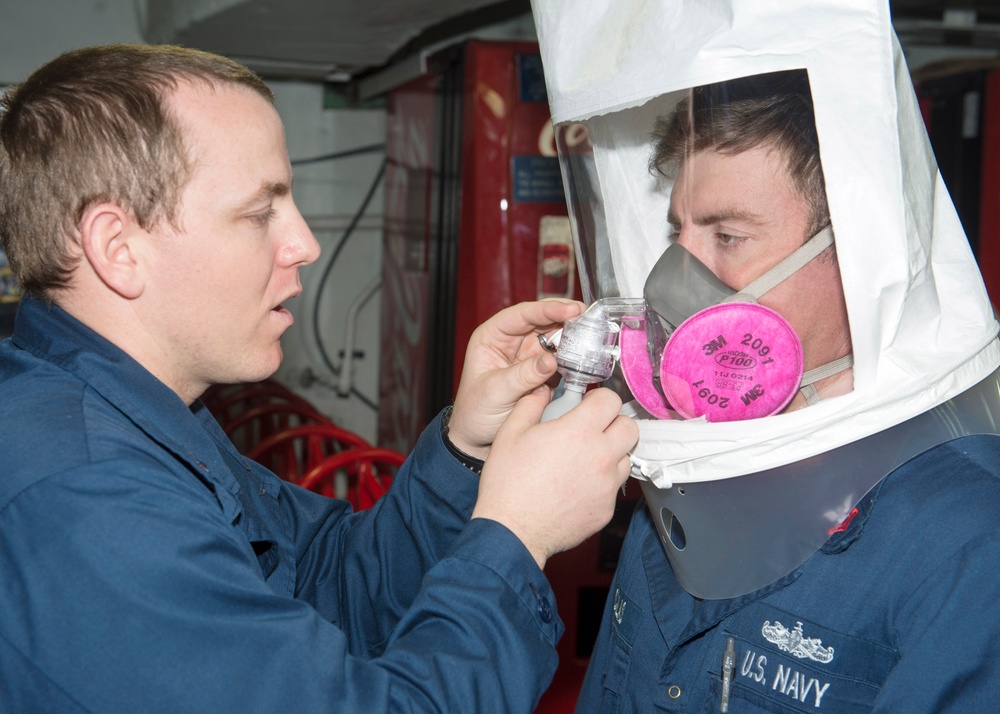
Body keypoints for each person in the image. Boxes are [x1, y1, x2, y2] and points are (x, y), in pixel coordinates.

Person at [0, 44, 638, 712]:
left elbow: (329, 580)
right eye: (258, 211)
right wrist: (518, 535)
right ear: (117, 249)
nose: (304, 242)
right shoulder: (87, 498)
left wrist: (464, 448)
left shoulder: (139, 416)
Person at [573, 70, 1000, 712]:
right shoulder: (685, 475)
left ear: (859, 253)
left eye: (729, 237)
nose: (669, 286)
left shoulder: (968, 549)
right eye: (677, 237)